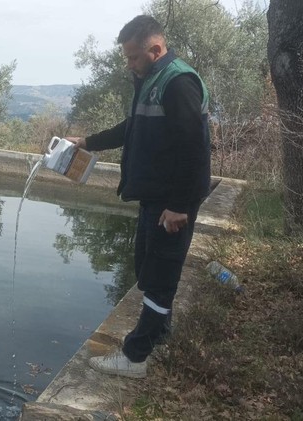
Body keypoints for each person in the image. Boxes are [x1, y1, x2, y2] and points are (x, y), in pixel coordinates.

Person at [69, 14, 211, 378]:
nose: (128, 64)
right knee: (148, 270)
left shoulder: (178, 82)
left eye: (133, 57)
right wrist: (86, 142)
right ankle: (160, 335)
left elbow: (194, 150)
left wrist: (179, 206)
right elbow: (132, 127)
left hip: (171, 202)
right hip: (155, 197)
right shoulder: (152, 79)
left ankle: (135, 358)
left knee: (161, 277)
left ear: (156, 49)